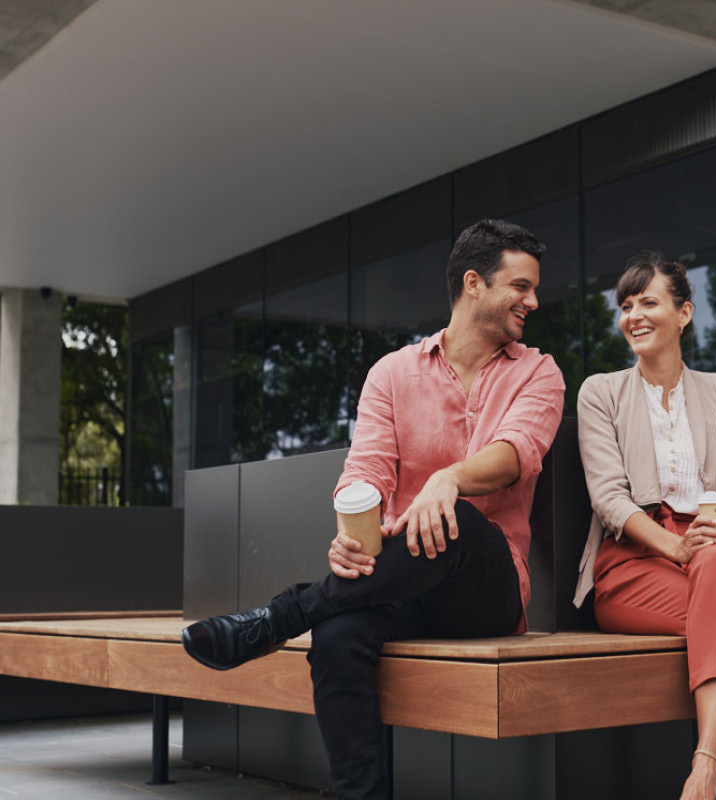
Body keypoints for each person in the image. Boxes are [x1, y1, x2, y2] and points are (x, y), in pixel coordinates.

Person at [181, 219, 565, 800]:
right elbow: (364, 475)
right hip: (398, 580)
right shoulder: (392, 373)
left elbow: (516, 454)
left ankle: (279, 618)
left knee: (454, 517)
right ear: (473, 284)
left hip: (486, 591)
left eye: (533, 288)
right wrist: (352, 536)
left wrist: (448, 479)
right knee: (335, 638)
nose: (532, 301)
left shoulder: (539, 372)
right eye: (520, 286)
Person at [573, 253, 716, 800]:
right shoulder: (601, 392)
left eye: (649, 302)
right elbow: (609, 500)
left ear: (684, 313)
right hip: (633, 563)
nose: (633, 315)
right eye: (626, 305)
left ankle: (707, 764)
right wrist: (673, 545)